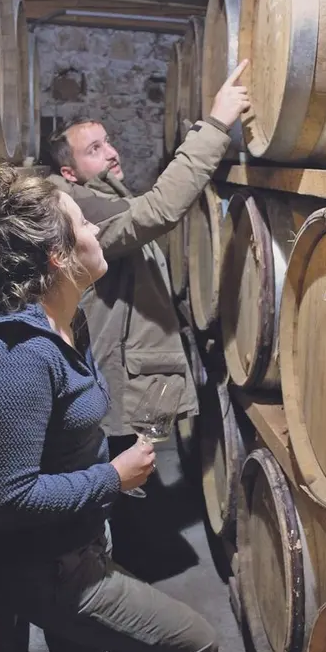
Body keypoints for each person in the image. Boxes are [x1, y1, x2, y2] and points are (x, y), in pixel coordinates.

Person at [0, 166, 218, 652]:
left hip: (83, 542)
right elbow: (8, 498)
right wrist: (113, 478)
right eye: (83, 224)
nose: (98, 231)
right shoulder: (21, 356)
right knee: (193, 646)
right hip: (49, 568)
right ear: (58, 256)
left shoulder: (69, 319)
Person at [44, 60, 249, 455]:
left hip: (120, 374)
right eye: (94, 149)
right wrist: (217, 125)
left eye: (108, 141)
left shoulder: (101, 196)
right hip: (113, 377)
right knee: (117, 481)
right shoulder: (76, 205)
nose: (111, 152)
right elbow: (160, 210)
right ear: (69, 172)